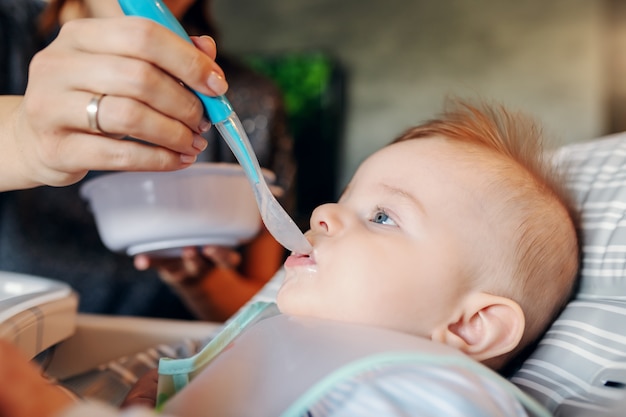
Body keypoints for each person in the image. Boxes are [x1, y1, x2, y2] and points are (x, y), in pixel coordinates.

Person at [0, 99, 579, 417]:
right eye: (347, 197)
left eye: (383, 217)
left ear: (470, 325)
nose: (325, 211)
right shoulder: (278, 340)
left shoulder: (421, 390)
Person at [0, 0, 296, 321]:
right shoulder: (9, 33)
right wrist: (21, 137)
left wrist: (200, 281)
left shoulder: (249, 99)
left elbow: (270, 314)